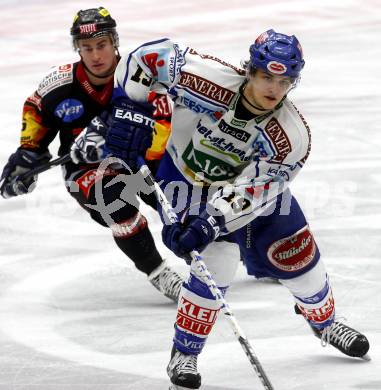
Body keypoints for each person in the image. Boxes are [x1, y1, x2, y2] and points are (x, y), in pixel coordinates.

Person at [99, 29, 370, 389]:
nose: (274, 88)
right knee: (216, 264)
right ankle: (185, 353)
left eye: (284, 81)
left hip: (252, 198)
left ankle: (324, 321)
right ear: (250, 71)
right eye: (267, 77)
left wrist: (211, 222)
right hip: (185, 183)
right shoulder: (204, 78)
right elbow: (144, 59)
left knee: (297, 257)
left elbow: (255, 192)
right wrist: (130, 107)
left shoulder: (291, 137)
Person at [0, 7, 183, 303]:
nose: (96, 55)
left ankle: (234, 246)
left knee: (183, 201)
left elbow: (165, 122)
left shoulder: (139, 77)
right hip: (86, 169)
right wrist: (27, 154)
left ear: (115, 43)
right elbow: (35, 109)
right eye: (87, 48)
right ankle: (159, 272)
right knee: (113, 203)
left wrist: (129, 143)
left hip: (142, 161)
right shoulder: (59, 85)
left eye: (102, 45)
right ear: (78, 49)